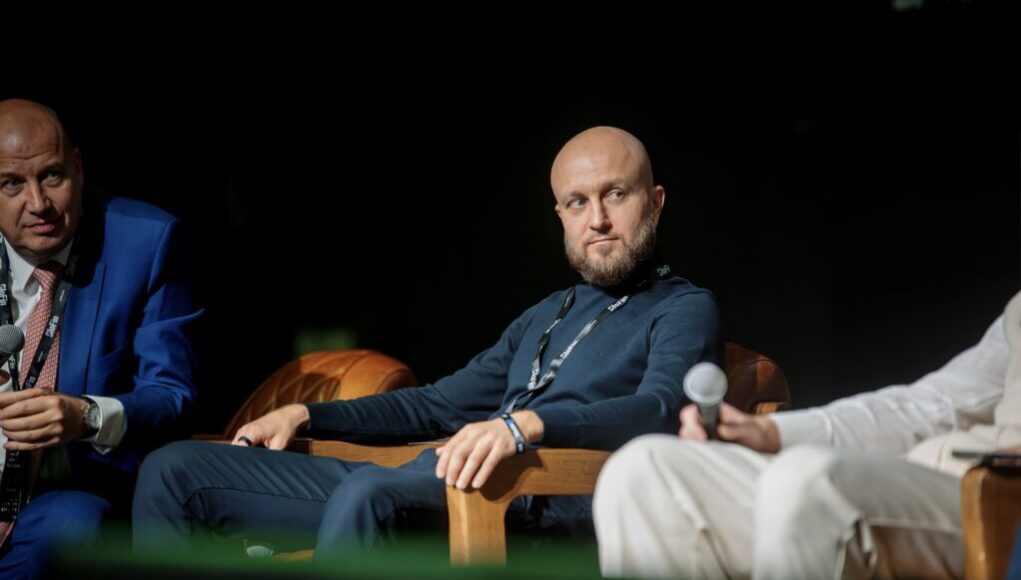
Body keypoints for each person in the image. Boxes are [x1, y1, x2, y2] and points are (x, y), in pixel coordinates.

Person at [132, 126, 720, 558]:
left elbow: (660, 410)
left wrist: (526, 427)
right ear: (560, 215)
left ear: (655, 202)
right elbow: (437, 404)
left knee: (371, 495)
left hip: (534, 500)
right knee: (173, 471)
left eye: (616, 194)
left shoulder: (684, 307)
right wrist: (306, 414)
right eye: (577, 202)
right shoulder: (548, 312)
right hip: (432, 479)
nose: (597, 220)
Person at [594, 289, 1021, 579]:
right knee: (645, 471)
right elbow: (932, 406)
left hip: (1000, 502)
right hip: (936, 478)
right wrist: (768, 432)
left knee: (808, 483)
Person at [0, 99, 202, 577]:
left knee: (71, 528)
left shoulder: (145, 242)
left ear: (78, 166)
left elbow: (173, 395)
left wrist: (86, 415)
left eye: (52, 175)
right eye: (12, 184)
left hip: (70, 493)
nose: (39, 204)